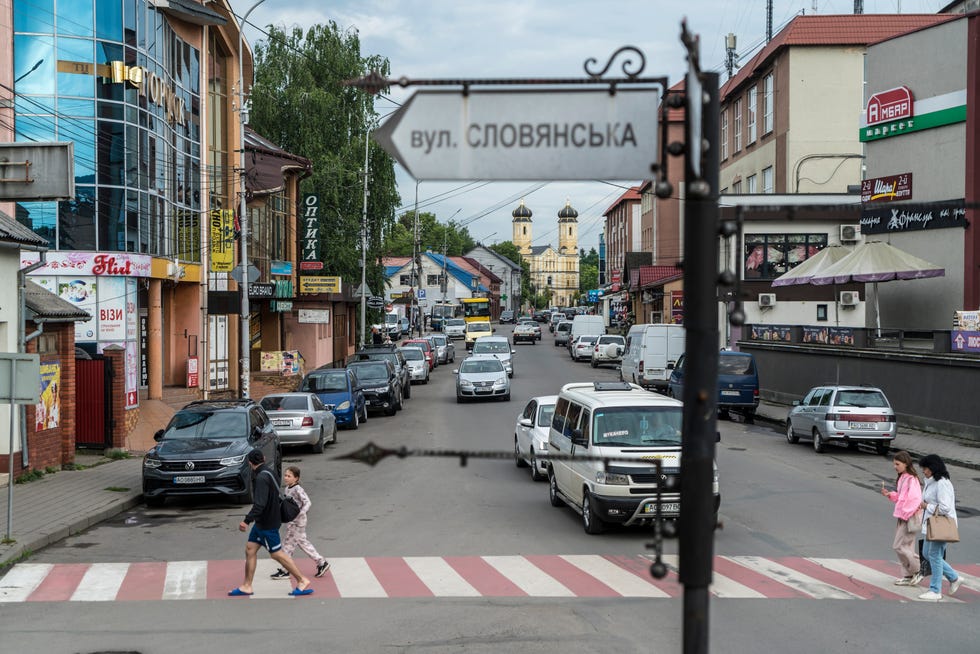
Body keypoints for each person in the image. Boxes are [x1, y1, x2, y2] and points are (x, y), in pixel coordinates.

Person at [228, 449, 313, 597]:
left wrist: (246, 520)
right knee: (250, 549)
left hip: (268, 523)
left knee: (276, 554)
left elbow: (260, 504)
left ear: (249, 462)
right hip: (262, 522)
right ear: (263, 458)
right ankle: (247, 586)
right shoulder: (269, 472)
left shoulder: (261, 477)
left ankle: (302, 580)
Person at [916, 454, 963, 601]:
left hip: (941, 525)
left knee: (934, 555)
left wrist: (926, 506)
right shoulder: (932, 482)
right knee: (927, 553)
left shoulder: (942, 483)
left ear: (933, 468)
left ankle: (935, 590)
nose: (923, 471)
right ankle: (954, 578)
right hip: (932, 524)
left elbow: (945, 508)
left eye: (925, 468)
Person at [270, 466, 330, 580]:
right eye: (285, 475)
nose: (286, 478)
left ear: (296, 478)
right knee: (293, 544)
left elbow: (308, 502)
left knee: (292, 544)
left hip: (298, 521)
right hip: (293, 521)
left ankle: (287, 569)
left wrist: (301, 513)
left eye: (289, 476)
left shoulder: (298, 489)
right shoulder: (287, 488)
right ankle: (319, 563)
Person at [880, 451, 922, 586]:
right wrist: (890, 495)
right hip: (903, 516)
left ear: (906, 464)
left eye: (897, 464)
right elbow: (901, 497)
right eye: (894, 464)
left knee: (898, 546)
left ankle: (918, 569)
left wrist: (905, 514)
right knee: (907, 547)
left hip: (908, 517)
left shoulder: (911, 479)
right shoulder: (903, 477)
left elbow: (915, 499)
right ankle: (908, 575)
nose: (895, 466)